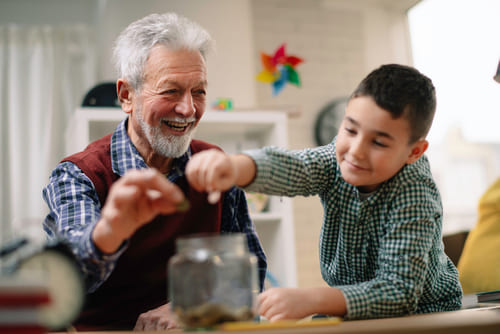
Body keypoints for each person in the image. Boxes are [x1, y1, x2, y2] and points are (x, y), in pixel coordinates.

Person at [42, 12, 266, 331]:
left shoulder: (214, 164)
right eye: (171, 91)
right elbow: (68, 278)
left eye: (199, 91)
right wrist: (111, 230)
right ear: (126, 96)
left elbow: (250, 276)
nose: (188, 109)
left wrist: (192, 307)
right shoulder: (78, 175)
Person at [186, 64, 463, 321]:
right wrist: (234, 166)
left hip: (425, 316)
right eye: (350, 129)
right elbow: (297, 167)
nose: (355, 151)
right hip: (358, 313)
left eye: (378, 142)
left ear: (414, 152)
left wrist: (313, 298)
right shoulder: (337, 158)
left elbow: (398, 291)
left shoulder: (415, 194)